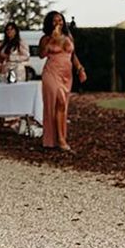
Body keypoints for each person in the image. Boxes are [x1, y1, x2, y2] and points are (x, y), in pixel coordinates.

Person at [39, 11, 87, 152]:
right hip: (51, 73)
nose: (58, 23)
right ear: (49, 23)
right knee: (56, 103)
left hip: (66, 75)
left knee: (62, 106)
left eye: (60, 20)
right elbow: (42, 55)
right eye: (55, 21)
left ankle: (58, 138)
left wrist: (80, 69)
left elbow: (73, 55)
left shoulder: (68, 36)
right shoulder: (45, 38)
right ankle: (60, 140)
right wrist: (51, 40)